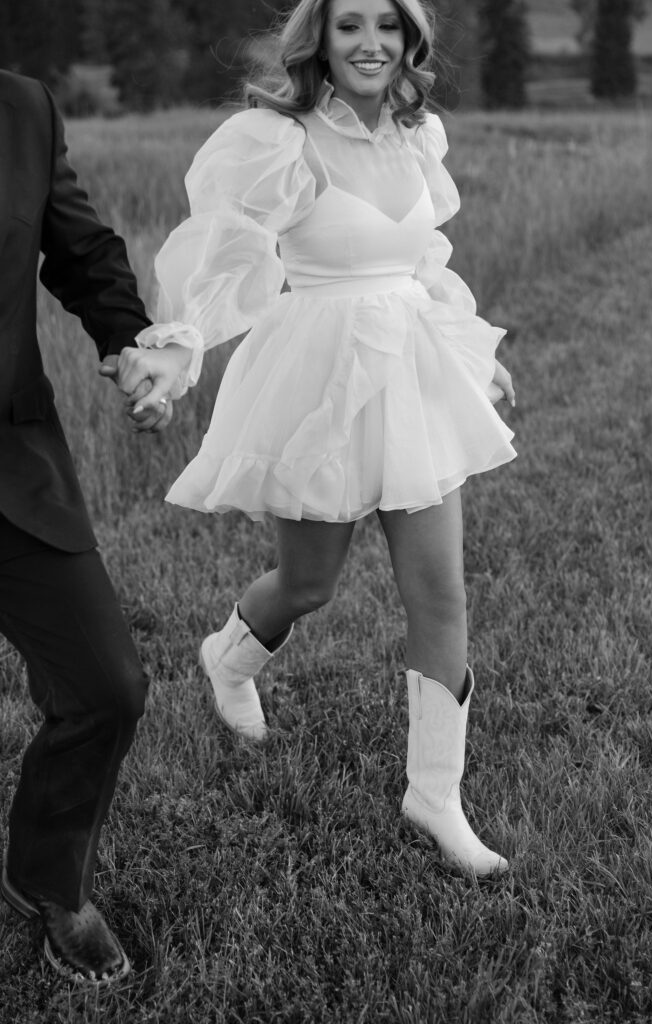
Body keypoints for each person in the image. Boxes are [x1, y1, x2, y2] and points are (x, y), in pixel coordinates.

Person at [117, 0, 517, 877]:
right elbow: (223, 259)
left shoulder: (419, 136)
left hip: (410, 368)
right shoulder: (276, 140)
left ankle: (435, 795)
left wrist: (469, 352)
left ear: (409, 38)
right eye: (349, 26)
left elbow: (423, 262)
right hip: (319, 374)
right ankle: (227, 657)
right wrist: (176, 354)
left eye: (386, 24)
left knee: (440, 593)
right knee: (309, 583)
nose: (369, 42)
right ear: (320, 42)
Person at [0, 69, 171, 983]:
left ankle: (46, 881)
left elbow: (80, 251)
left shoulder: (22, 109)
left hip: (8, 461)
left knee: (107, 685)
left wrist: (130, 341)